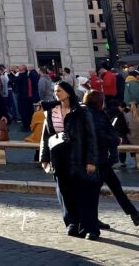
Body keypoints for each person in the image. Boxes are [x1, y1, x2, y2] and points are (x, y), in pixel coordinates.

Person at [41, 81, 101, 239]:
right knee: (64, 191)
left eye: (59, 91)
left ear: (68, 92)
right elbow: (45, 135)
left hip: (79, 156)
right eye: (55, 91)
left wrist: (91, 160)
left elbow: (90, 136)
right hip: (58, 157)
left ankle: (89, 227)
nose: (56, 94)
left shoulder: (81, 110)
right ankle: (72, 223)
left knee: (83, 193)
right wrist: (44, 157)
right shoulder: (51, 111)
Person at [84, 91, 139, 228]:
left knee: (110, 188)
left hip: (97, 159)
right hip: (98, 160)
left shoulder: (89, 113)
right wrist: (115, 140)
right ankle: (93, 222)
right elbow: (101, 136)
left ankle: (134, 214)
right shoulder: (97, 114)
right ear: (99, 101)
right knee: (100, 191)